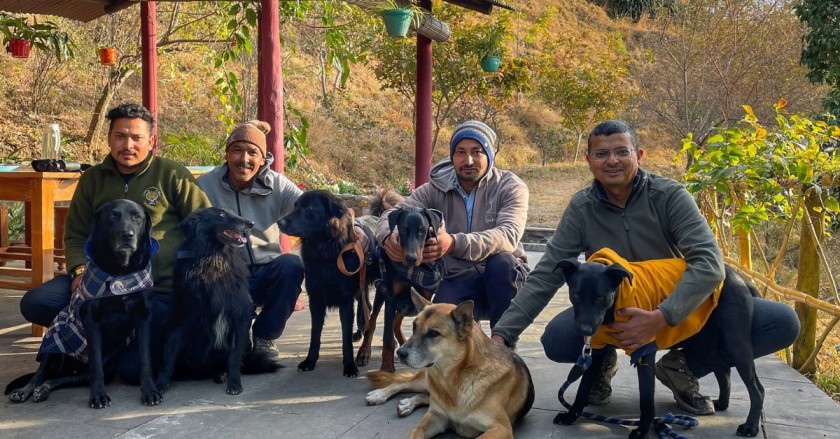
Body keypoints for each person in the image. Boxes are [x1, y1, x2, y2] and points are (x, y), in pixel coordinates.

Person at [491, 120, 800, 415]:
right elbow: (546, 273)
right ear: (588, 160)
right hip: (615, 310)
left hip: (681, 307)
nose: (612, 161)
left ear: (638, 155)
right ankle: (601, 363)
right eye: (601, 154)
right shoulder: (582, 208)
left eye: (621, 151)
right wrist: (503, 335)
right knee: (557, 339)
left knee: (781, 322)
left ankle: (683, 366)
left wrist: (662, 316)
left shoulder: (669, 196)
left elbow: (709, 262)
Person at [20, 102, 212, 383]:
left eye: (136, 138)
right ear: (109, 138)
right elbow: (75, 233)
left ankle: (121, 354)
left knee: (132, 373)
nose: (128, 145)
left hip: (155, 290)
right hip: (99, 285)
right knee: (37, 302)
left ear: (151, 141)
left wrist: (196, 279)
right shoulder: (93, 179)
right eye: (120, 136)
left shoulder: (172, 174)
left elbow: (203, 224)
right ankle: (102, 348)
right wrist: (78, 271)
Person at [376, 120, 530, 329]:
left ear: (490, 155)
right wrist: (388, 237)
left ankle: (503, 342)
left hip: (502, 280)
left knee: (503, 262)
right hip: (456, 276)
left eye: (477, 152)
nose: (468, 160)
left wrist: (453, 243)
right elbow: (392, 214)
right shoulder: (434, 189)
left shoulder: (510, 187)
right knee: (443, 330)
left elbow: (508, 235)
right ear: (452, 156)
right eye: (460, 152)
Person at [196, 120, 304, 366]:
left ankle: (265, 337)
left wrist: (346, 220)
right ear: (226, 155)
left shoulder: (277, 184)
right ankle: (238, 334)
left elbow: (307, 206)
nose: (243, 159)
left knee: (291, 265)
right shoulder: (205, 185)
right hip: (229, 272)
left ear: (263, 158)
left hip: (267, 269)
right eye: (237, 150)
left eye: (252, 152)